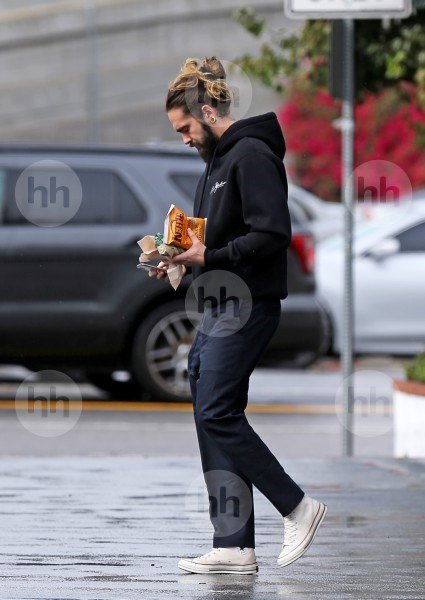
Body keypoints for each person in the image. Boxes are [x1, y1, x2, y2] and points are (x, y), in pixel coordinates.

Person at [150, 56, 327, 575]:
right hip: (218, 304)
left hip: (248, 304)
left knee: (217, 412)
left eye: (185, 128)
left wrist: (212, 256)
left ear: (207, 112)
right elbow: (212, 239)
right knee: (209, 410)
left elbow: (272, 234)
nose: (185, 138)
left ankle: (297, 507)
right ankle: (233, 545)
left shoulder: (251, 155)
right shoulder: (216, 163)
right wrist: (177, 259)